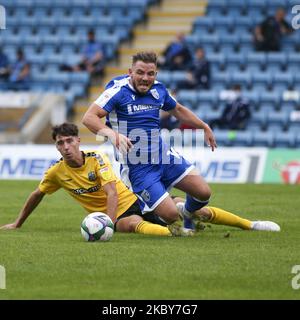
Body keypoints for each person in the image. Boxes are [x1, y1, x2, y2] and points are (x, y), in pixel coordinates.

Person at [0, 123, 280, 235]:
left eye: (69, 141)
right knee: (132, 225)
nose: (65, 146)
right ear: (57, 147)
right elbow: (37, 194)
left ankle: (250, 224)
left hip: (133, 199)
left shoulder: (96, 158)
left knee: (193, 209)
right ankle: (179, 233)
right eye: (60, 143)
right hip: (122, 215)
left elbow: (111, 192)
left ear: (78, 140)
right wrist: (18, 223)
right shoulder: (56, 172)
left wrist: (104, 222)